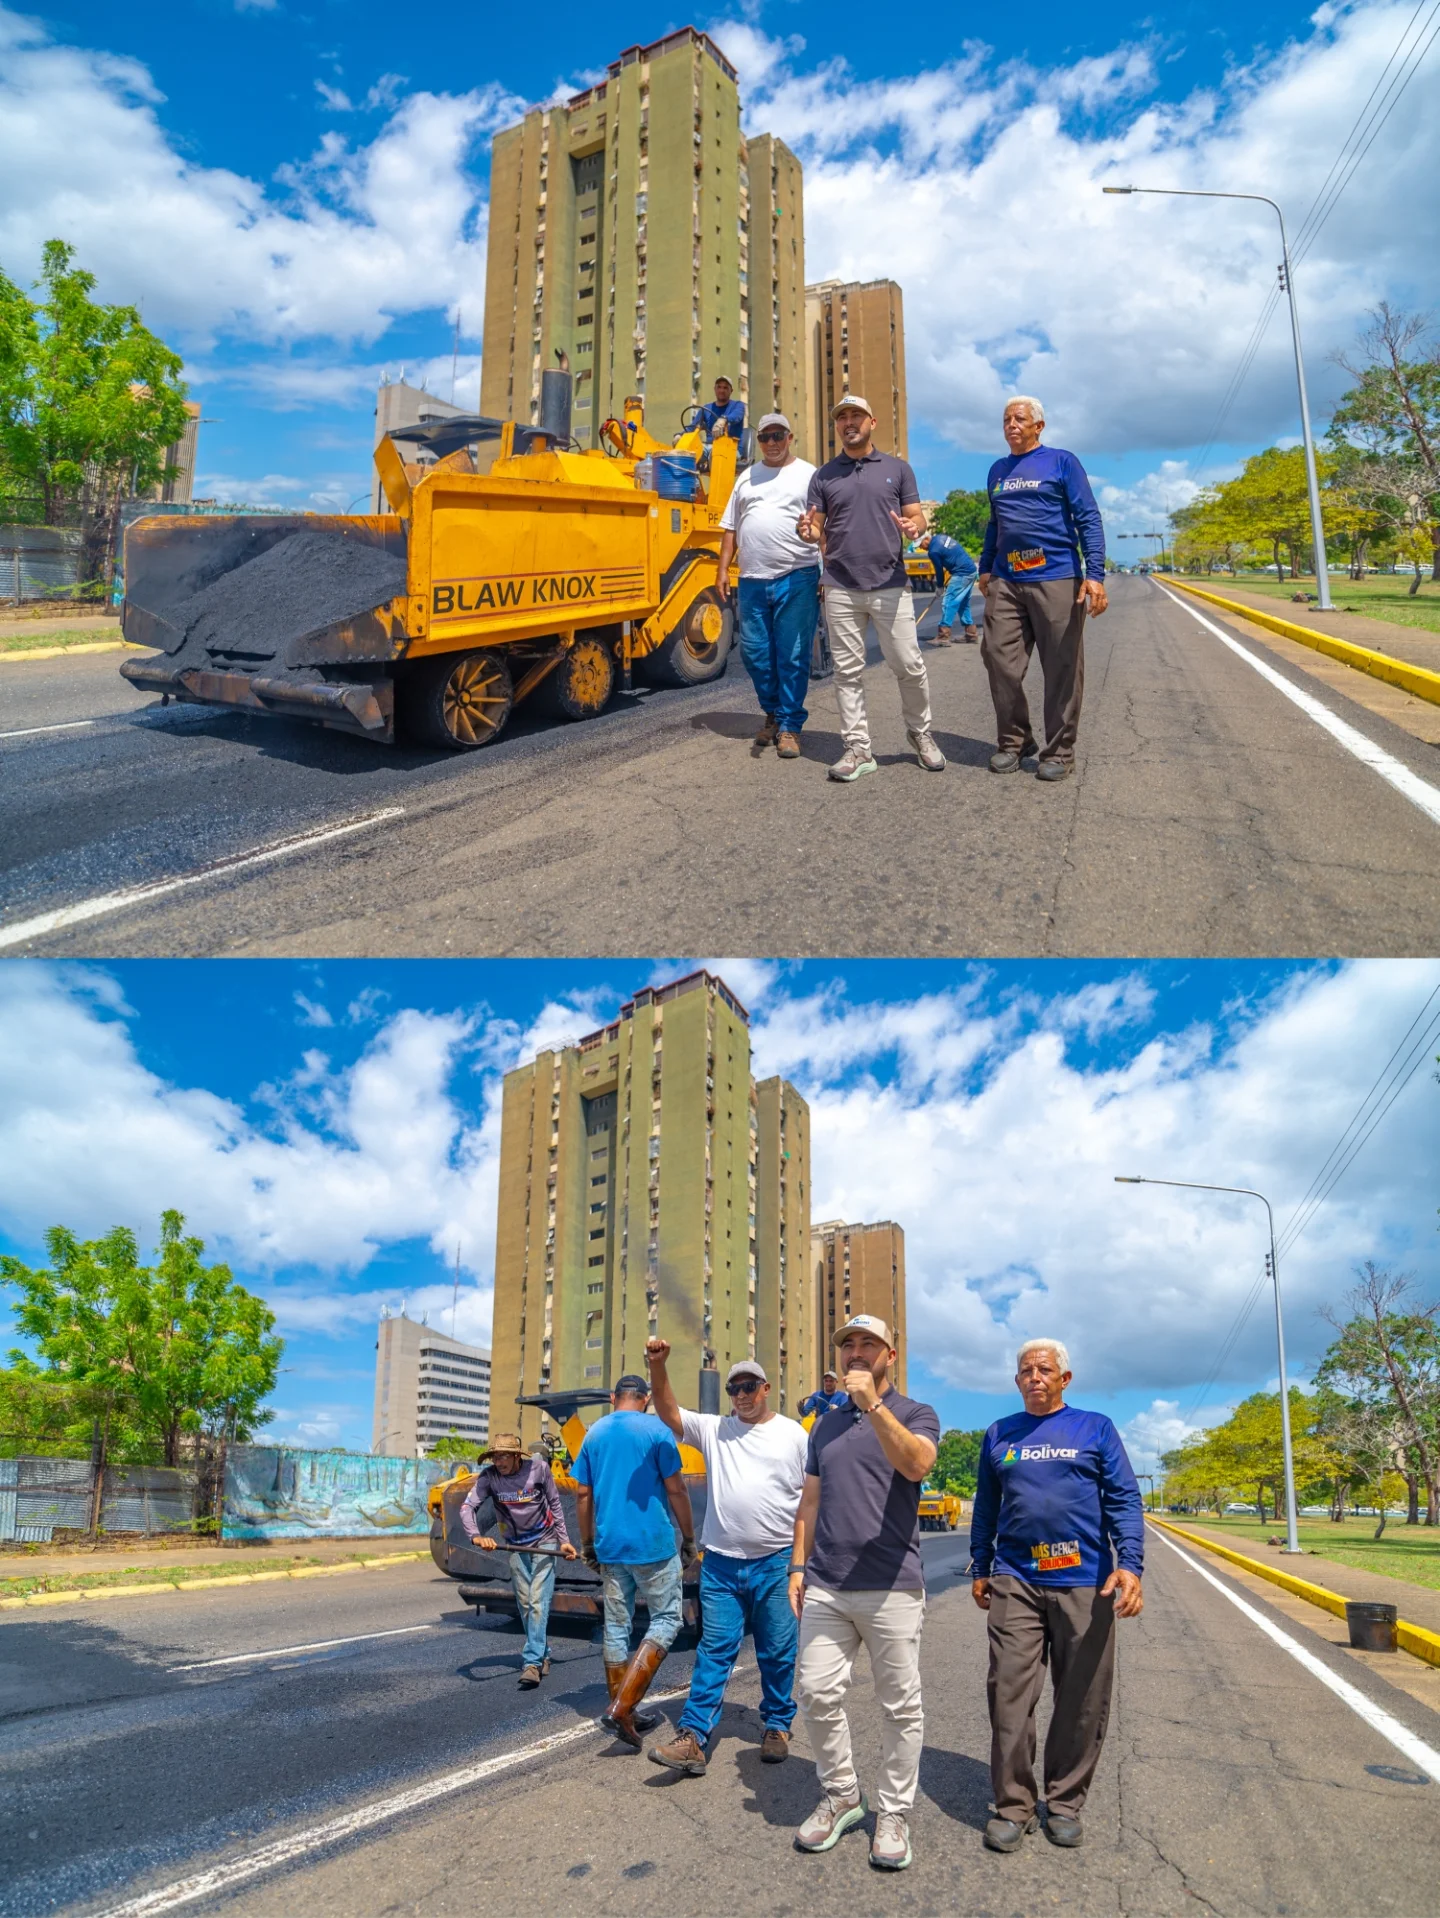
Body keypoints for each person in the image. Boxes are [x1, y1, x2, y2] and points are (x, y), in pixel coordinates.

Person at [969, 1338, 1144, 1854]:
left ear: (1065, 1379)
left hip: (1084, 1581)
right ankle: (1014, 1806)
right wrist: (981, 1564)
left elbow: (1124, 1500)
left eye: (1045, 1370)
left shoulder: (1095, 1428)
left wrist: (1129, 1565)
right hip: (1016, 1578)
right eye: (1026, 1371)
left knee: (1082, 1696)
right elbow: (987, 1505)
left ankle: (1064, 1802)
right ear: (1017, 1380)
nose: (1034, 1377)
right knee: (1008, 1693)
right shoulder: (1000, 1434)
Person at [789, 1315, 940, 1872]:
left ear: (889, 1355)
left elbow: (917, 1463)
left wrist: (873, 1404)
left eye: (867, 1344)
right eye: (847, 1344)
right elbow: (809, 1503)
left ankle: (894, 1810)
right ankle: (843, 1796)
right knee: (816, 1692)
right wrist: (797, 1566)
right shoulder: (823, 1427)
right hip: (827, 1582)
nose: (855, 1352)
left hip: (893, 1585)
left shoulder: (916, 1413)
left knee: (900, 1705)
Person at [642, 1342, 810, 1776]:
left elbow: (813, 1500)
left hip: (775, 1565)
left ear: (766, 1388)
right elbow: (667, 1410)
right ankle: (694, 1737)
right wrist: (657, 1365)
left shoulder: (794, 1435)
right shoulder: (715, 1429)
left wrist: (802, 1563)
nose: (740, 1395)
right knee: (715, 1650)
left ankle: (776, 1723)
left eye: (749, 1386)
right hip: (720, 1565)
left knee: (777, 1650)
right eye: (734, 1388)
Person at [797, 396, 944, 782]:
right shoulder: (824, 475)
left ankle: (921, 734)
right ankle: (858, 748)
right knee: (847, 671)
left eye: (856, 416)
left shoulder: (897, 469)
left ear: (872, 421)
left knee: (909, 665)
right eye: (842, 417)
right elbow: (816, 528)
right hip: (841, 585)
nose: (849, 422)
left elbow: (916, 517)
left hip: (890, 583)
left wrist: (916, 527)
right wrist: (807, 531)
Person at [977, 396, 1108, 782]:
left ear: (1039, 426)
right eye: (1006, 420)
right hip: (1007, 578)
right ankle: (1015, 741)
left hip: (1057, 577)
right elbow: (994, 523)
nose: (1011, 425)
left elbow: (1087, 516)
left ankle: (1060, 751)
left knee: (1062, 667)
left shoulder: (1062, 461)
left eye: (1019, 419)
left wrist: (1095, 573)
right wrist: (986, 567)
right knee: (998, 659)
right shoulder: (997, 470)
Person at [572, 1372, 698, 1748]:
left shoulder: (593, 1434)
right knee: (667, 1618)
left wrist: (588, 1543)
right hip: (652, 1545)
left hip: (611, 1546)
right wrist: (689, 1537)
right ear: (644, 1399)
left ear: (614, 1398)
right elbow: (676, 1488)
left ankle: (623, 1708)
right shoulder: (657, 1431)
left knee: (616, 1626)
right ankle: (622, 1708)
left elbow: (582, 1494)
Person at [716, 413, 819, 759]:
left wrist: (829, 567)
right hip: (752, 581)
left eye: (778, 435)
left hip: (798, 576)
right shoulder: (746, 477)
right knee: (755, 653)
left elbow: (824, 525)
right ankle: (772, 712)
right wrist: (721, 570)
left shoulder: (808, 474)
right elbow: (730, 527)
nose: (772, 442)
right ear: (758, 441)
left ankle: (789, 725)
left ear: (790, 437)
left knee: (792, 654)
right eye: (765, 437)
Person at [459, 1431, 578, 1688]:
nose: (498, 1461)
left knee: (537, 1600)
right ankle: (543, 1653)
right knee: (525, 1604)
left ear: (516, 1456)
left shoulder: (539, 1469)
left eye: (503, 1456)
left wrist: (565, 1539)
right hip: (514, 1544)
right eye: (494, 1456)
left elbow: (555, 1503)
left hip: (546, 1542)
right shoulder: (489, 1478)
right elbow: (467, 1508)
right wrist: (476, 1536)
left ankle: (532, 1663)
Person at [918, 531, 979, 644]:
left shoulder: (933, 551)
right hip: (971, 570)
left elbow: (938, 569)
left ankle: (943, 636)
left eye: (921, 545)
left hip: (962, 573)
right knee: (963, 603)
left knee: (948, 601)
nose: (922, 548)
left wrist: (940, 586)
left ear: (926, 539)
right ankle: (971, 634)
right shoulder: (941, 538)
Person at [699, 376, 745, 441]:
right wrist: (680, 435)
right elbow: (692, 427)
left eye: (725, 388)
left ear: (731, 391)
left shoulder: (738, 405)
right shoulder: (706, 409)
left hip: (732, 447)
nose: (722, 390)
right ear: (715, 389)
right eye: (719, 387)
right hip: (709, 447)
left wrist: (723, 420)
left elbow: (736, 416)